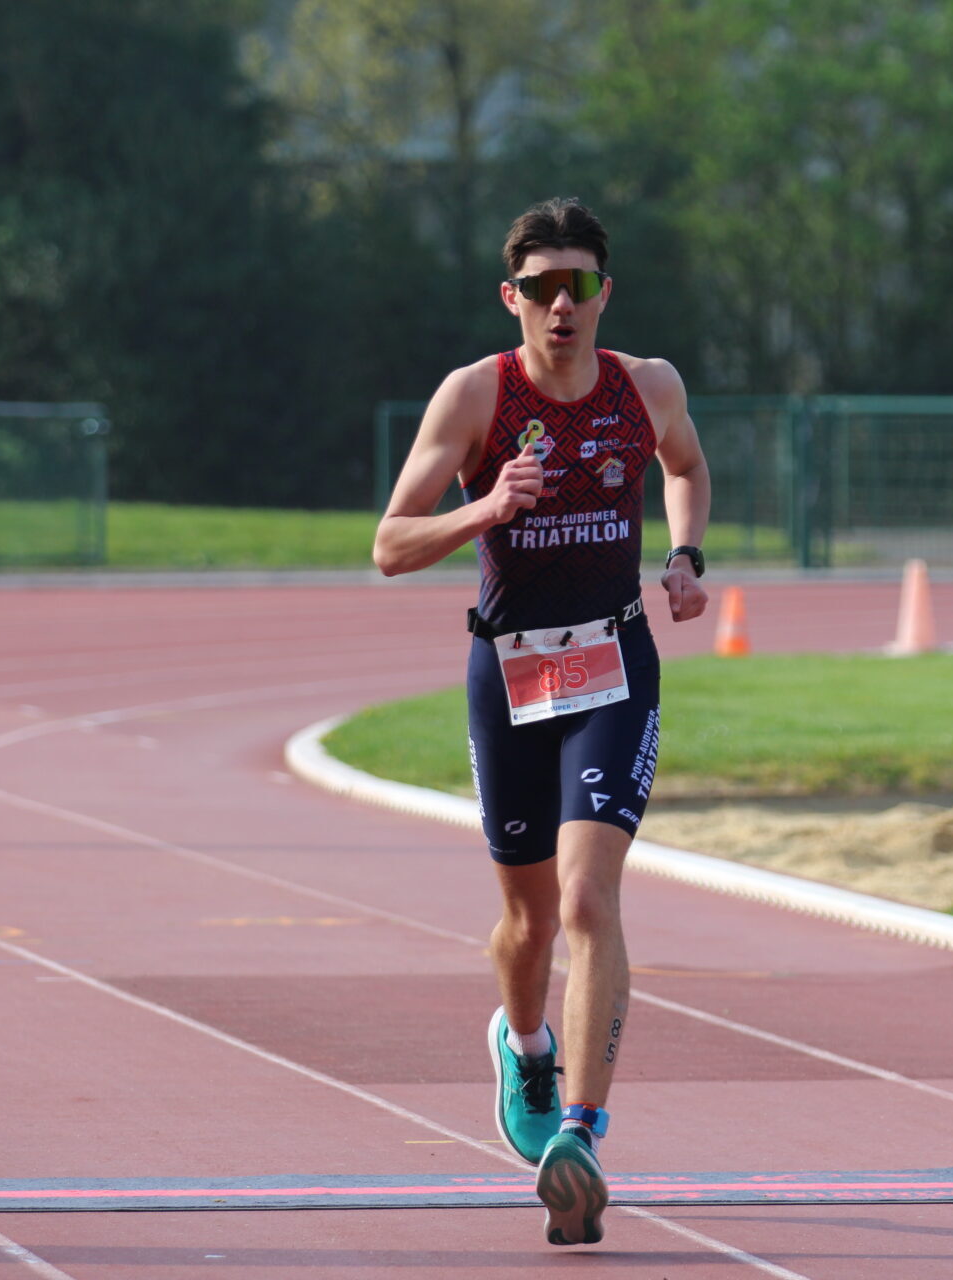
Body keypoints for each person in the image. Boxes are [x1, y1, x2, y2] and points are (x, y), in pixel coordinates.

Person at [372, 197, 711, 1246]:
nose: (561, 304)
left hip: (613, 663)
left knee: (587, 897)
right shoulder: (476, 395)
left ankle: (582, 1131)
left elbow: (686, 467)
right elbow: (389, 544)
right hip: (509, 672)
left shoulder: (646, 386)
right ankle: (524, 1046)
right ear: (510, 297)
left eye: (579, 284)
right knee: (526, 923)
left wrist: (685, 556)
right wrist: (486, 506)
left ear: (606, 293)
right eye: (541, 287)